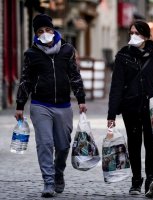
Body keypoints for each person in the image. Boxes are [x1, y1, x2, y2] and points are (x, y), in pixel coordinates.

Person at [15, 14, 87, 198]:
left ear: (53, 30)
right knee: (45, 144)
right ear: (36, 34)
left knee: (63, 146)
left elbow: (75, 76)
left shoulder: (67, 50)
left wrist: (81, 100)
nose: (45, 33)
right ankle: (48, 182)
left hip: (63, 105)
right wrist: (20, 105)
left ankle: (58, 172)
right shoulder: (31, 54)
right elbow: (26, 80)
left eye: (48, 30)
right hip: (40, 105)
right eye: (40, 31)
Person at [107, 20, 153, 198]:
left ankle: (150, 180)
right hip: (130, 107)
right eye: (131, 32)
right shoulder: (123, 55)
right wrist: (111, 114)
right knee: (134, 144)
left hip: (151, 106)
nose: (133, 36)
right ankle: (136, 180)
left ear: (146, 36)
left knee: (151, 143)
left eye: (137, 33)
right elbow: (116, 85)